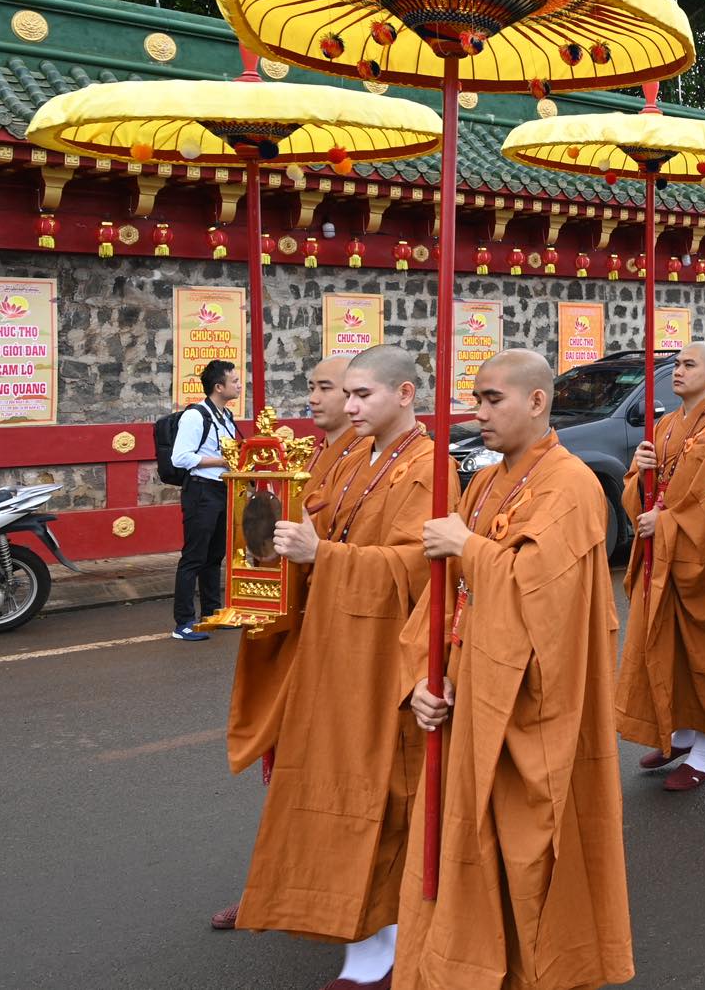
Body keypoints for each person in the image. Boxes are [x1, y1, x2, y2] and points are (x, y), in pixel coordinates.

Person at [399, 349, 631, 989]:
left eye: (492, 399)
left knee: (528, 864)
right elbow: (440, 599)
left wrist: (467, 546)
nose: (479, 413)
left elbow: (541, 595)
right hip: (467, 696)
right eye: (475, 399)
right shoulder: (485, 481)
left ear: (536, 401)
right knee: (457, 857)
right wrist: (421, 677)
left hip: (525, 709)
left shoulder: (572, 484)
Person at [228, 345, 445, 987]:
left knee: (384, 795)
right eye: (344, 394)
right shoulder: (354, 458)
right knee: (328, 784)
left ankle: (389, 940)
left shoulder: (428, 468)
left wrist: (327, 556)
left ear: (404, 395)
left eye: (361, 395)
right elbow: (314, 524)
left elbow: (418, 566)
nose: (348, 407)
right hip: (333, 645)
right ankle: (345, 922)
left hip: (382, 655)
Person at [215, 355, 362, 933]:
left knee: (328, 774)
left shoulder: (378, 465)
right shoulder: (311, 457)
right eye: (316, 387)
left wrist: (321, 553)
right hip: (291, 628)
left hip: (340, 639)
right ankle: (280, 882)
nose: (318, 399)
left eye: (329, 388)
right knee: (286, 768)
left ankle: (329, 890)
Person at [617, 342, 705, 792]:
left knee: (704, 655)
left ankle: (703, 754)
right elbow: (647, 490)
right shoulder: (663, 425)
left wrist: (669, 523)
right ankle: (676, 733)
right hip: (662, 558)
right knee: (664, 648)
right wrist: (635, 472)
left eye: (688, 365)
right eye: (676, 365)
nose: (677, 372)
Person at [171, 359, 242, 641]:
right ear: (218, 386)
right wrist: (223, 459)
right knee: (194, 557)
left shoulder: (225, 416)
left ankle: (212, 613)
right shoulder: (195, 416)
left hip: (221, 488)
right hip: (201, 490)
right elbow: (181, 458)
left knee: (214, 556)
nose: (238, 385)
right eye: (234, 381)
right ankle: (183, 622)